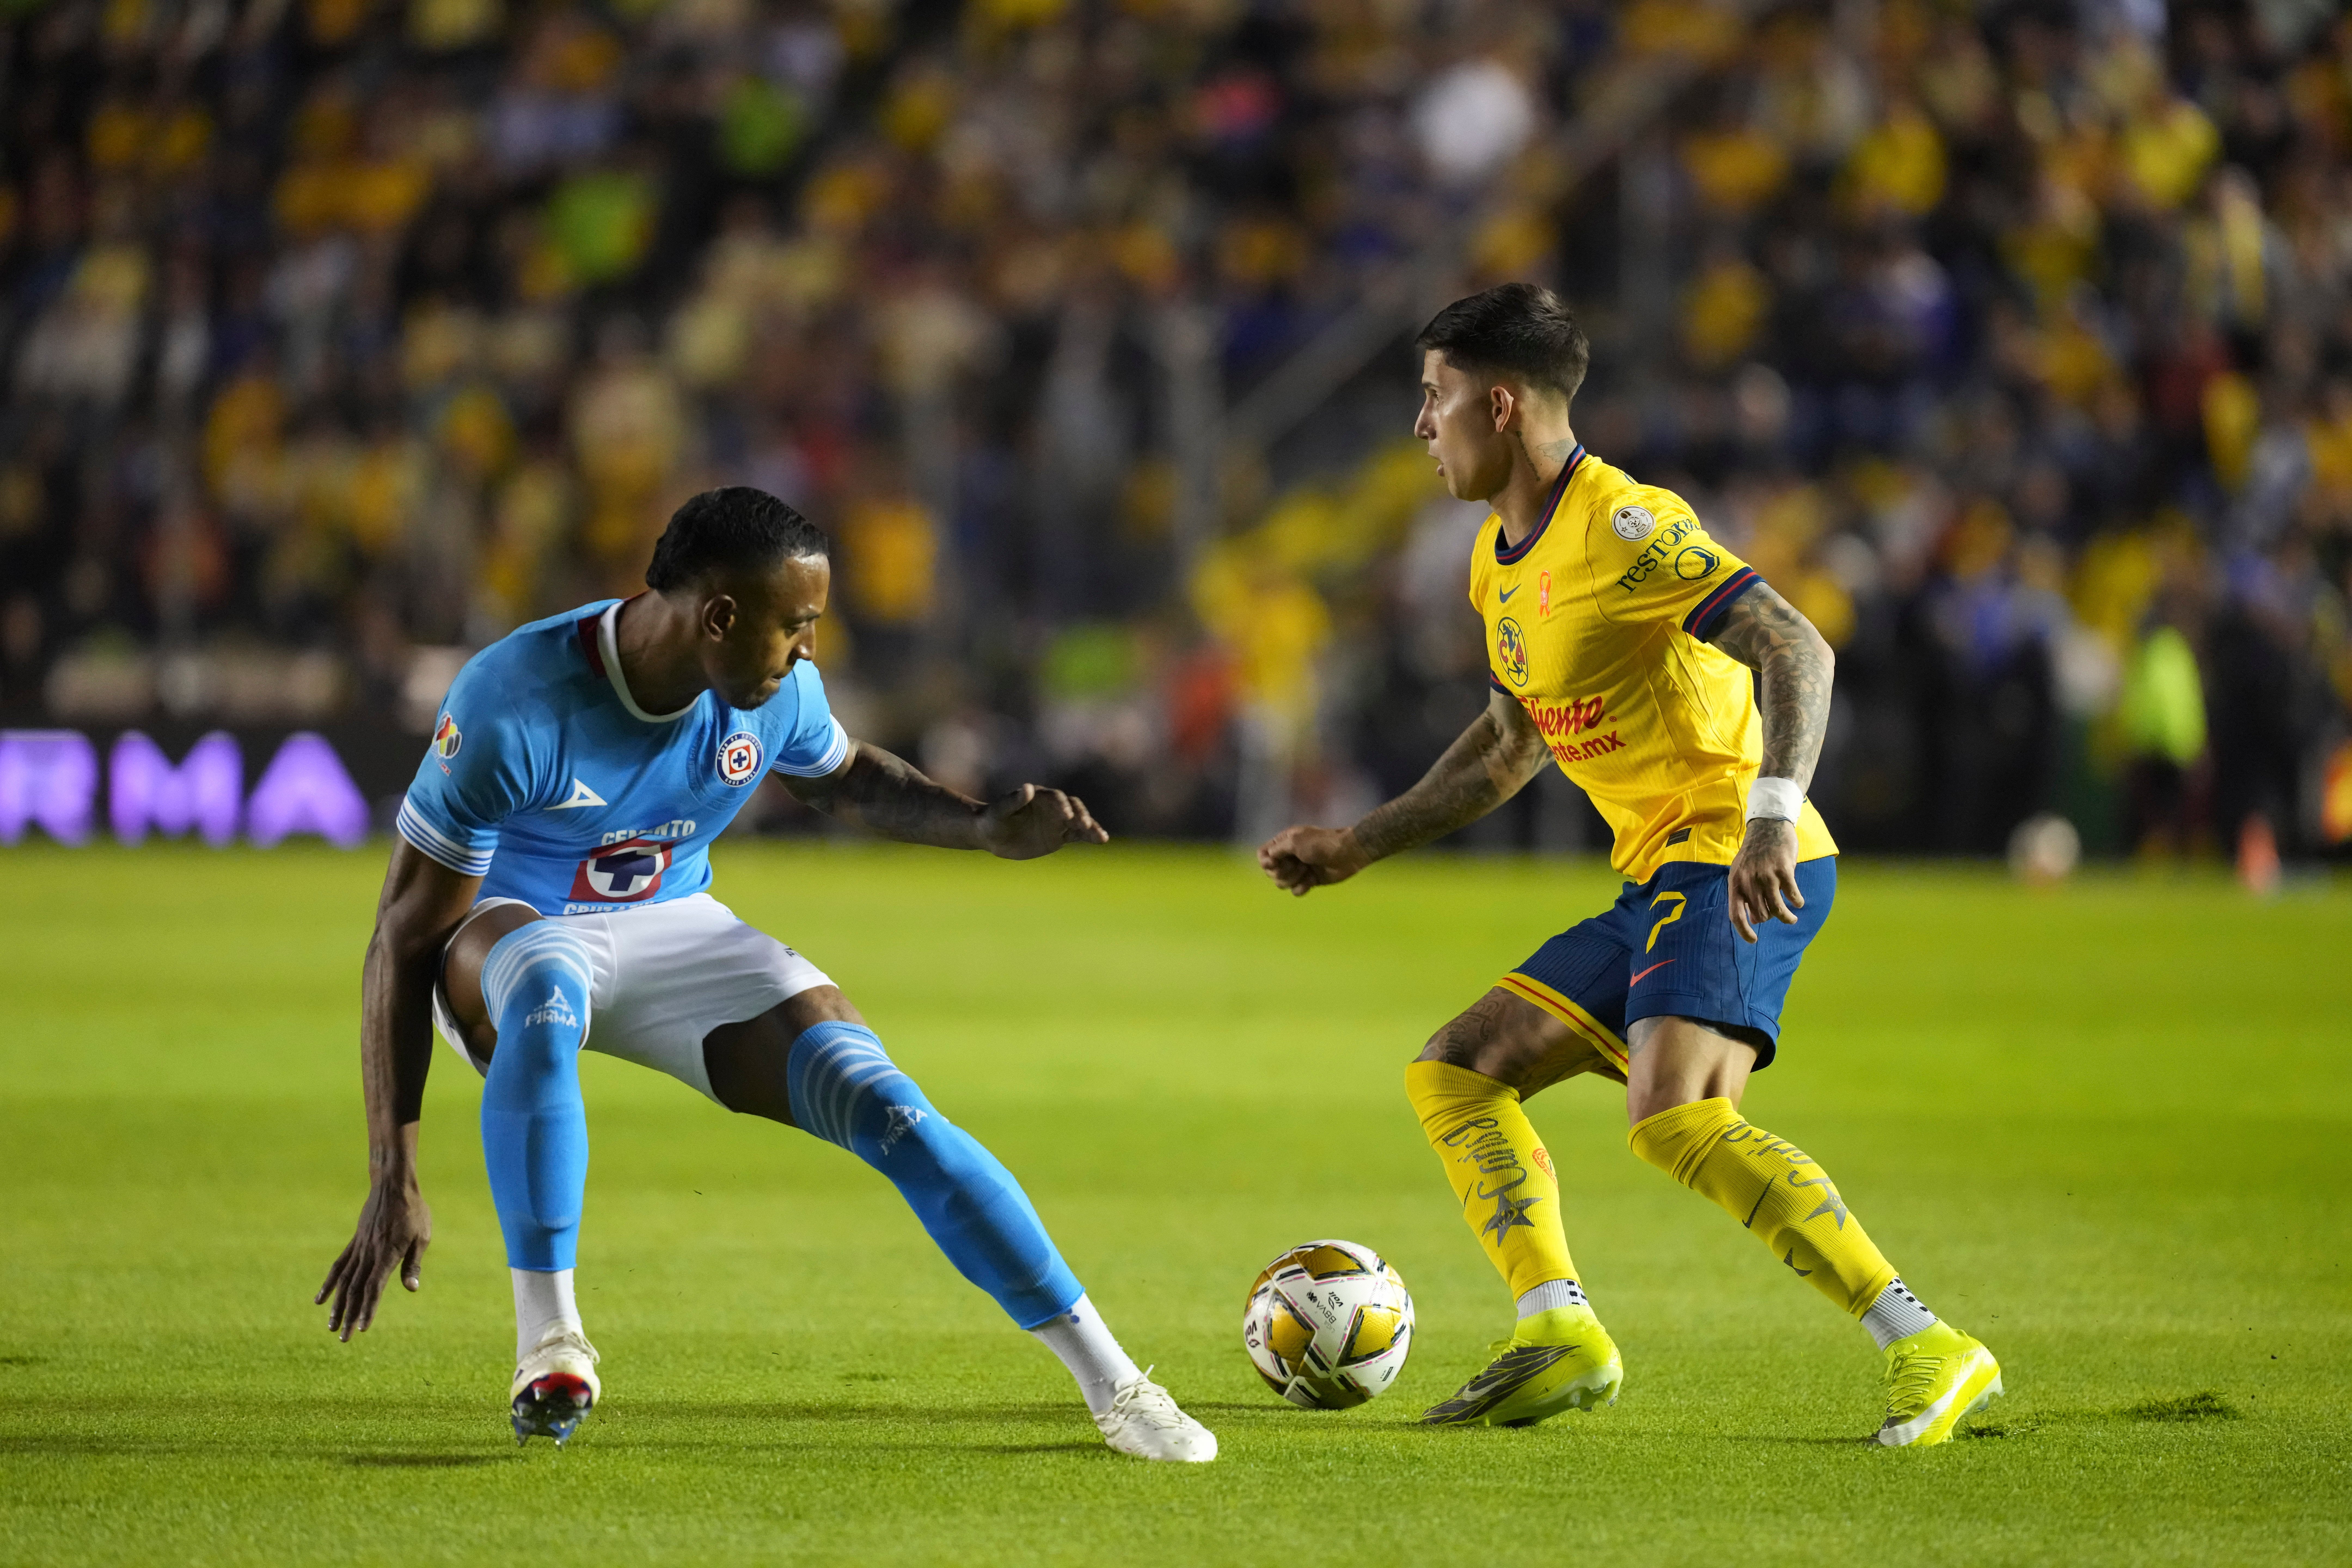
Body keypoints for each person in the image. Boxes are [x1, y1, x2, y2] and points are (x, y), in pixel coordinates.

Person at [316, 486, 1215, 1461]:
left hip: (672, 924)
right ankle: (551, 1343)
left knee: (888, 1105)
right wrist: (392, 1169)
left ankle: (1115, 1383)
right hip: (511, 931)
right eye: (798, 626)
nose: (810, 651)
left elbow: (847, 778)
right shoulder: (515, 701)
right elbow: (404, 938)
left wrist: (982, 826)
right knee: (541, 985)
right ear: (719, 618)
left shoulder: (772, 690)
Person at [1257, 284, 2001, 1446]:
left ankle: (1931, 1347)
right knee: (1456, 1070)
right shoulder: (1496, 564)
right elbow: (1511, 744)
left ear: (1500, 406)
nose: (1420, 425)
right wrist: (1360, 843)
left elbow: (1794, 645)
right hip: (1662, 875)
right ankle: (1559, 1329)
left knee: (1676, 1115)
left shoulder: (1624, 525)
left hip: (1738, 852)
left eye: (1434, 397)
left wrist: (1769, 813)